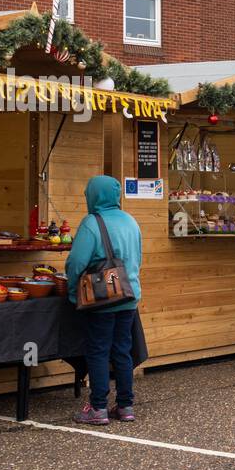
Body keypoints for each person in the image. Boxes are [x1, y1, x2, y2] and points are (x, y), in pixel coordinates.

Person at [66, 175, 143, 425]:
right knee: (122, 351)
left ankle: (98, 408)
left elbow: (76, 263)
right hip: (129, 296)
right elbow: (137, 259)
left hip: (102, 298)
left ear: (94, 195)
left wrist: (72, 290)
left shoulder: (92, 223)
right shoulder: (131, 221)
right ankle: (125, 406)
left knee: (98, 351)